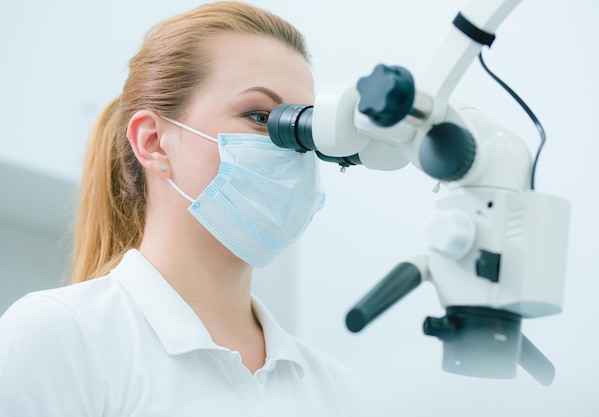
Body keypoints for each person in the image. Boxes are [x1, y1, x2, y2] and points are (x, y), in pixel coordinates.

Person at [0, 2, 361, 416]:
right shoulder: (62, 336)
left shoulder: (332, 388)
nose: (293, 148)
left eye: (305, 127)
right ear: (153, 141)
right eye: (261, 116)